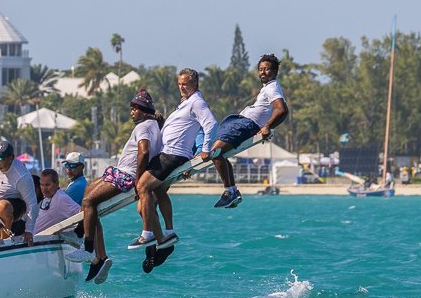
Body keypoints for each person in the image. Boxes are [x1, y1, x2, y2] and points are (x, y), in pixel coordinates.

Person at [131, 69, 217, 256]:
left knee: (143, 187)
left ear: (194, 84)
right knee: (159, 191)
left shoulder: (196, 102)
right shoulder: (186, 103)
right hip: (171, 154)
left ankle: (147, 234)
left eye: (185, 84)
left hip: (172, 154)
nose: (181, 87)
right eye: (179, 83)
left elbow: (211, 124)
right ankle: (167, 234)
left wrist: (205, 149)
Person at [79, 91, 162, 284]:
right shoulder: (152, 125)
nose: (132, 111)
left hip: (127, 175)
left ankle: (89, 248)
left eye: (135, 108)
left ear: (144, 111)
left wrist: (139, 180)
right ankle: (100, 257)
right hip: (121, 171)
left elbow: (144, 151)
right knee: (89, 192)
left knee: (88, 201)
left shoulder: (144, 126)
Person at [207, 53, 289, 209]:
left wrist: (267, 126)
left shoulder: (273, 87)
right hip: (240, 121)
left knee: (216, 152)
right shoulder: (267, 88)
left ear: (275, 71)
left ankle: (230, 192)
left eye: (267, 69)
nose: (263, 72)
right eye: (260, 69)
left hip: (247, 124)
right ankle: (232, 191)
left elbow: (282, 110)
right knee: (219, 153)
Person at [33, 168, 82, 236]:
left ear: (57, 184)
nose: (44, 189)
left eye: (47, 185)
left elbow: (82, 214)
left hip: (41, 242)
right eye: (42, 185)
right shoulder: (46, 197)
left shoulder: (61, 199)